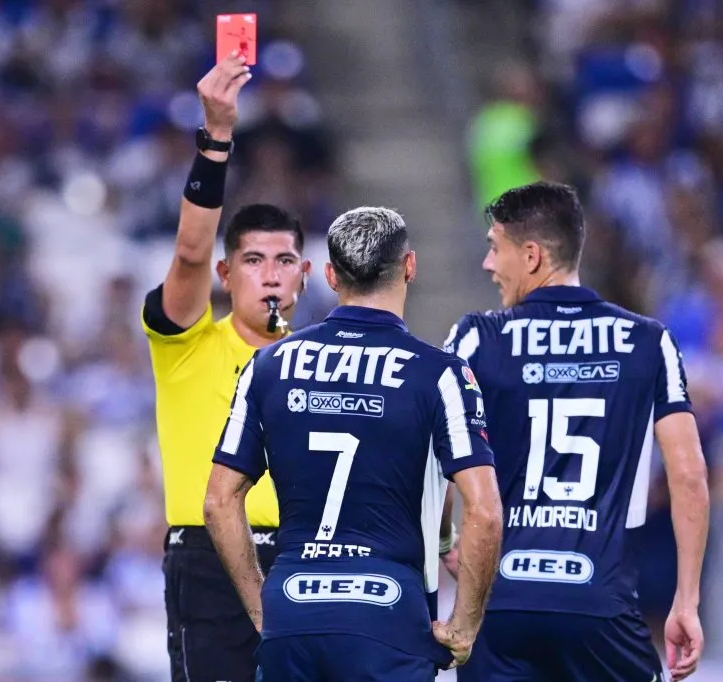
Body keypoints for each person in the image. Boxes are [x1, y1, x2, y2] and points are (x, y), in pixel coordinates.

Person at [204, 206, 503, 681]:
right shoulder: (440, 374)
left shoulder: (268, 366)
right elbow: (485, 511)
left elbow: (220, 501)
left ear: (329, 275)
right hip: (388, 615)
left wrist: (266, 613)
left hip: (293, 610)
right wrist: (464, 627)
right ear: (409, 266)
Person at [443, 182, 710, 682]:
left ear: (531, 256)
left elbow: (435, 456)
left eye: (494, 247)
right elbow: (689, 475)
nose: (487, 264)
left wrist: (444, 544)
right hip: (602, 607)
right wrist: (686, 600)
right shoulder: (649, 342)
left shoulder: (477, 336)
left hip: (502, 607)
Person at [141, 53, 311, 682]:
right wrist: (216, 138)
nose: (270, 272)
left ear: (305, 274)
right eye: (253, 259)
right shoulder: (186, 344)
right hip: (209, 566)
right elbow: (188, 251)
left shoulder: (323, 362)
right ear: (226, 273)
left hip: (306, 560)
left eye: (284, 259)